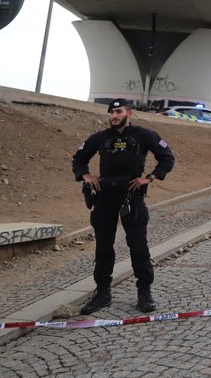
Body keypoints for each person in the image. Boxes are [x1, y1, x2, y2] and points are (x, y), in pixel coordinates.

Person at [72, 98, 175, 315]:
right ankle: (102, 293)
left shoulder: (145, 135)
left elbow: (167, 157)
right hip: (104, 196)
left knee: (138, 246)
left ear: (129, 113)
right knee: (103, 247)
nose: (114, 116)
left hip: (132, 196)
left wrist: (151, 177)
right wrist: (86, 176)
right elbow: (79, 159)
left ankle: (144, 293)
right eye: (111, 112)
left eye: (118, 111)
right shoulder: (100, 138)